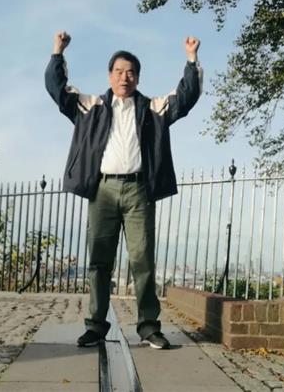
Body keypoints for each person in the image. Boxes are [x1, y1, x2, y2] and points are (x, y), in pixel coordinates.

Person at [45, 31, 202, 349]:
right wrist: (57, 52)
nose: (124, 77)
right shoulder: (91, 106)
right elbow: (56, 89)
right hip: (102, 190)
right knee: (99, 260)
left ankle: (149, 327)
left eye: (130, 72)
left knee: (142, 260)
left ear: (138, 77)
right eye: (118, 71)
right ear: (110, 75)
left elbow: (186, 98)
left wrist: (191, 59)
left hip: (138, 191)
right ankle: (96, 326)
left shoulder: (153, 108)